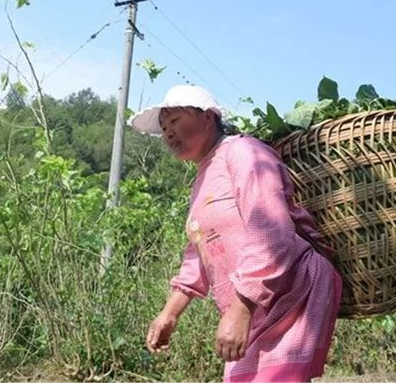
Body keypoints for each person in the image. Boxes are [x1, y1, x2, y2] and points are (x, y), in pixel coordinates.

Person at [129, 85, 342, 382]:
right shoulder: (201, 181)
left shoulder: (244, 152)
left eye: (175, 121)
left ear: (208, 118)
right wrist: (170, 313)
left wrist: (241, 308)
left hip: (289, 297)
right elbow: (199, 251)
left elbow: (271, 229)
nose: (168, 133)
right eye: (164, 128)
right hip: (255, 306)